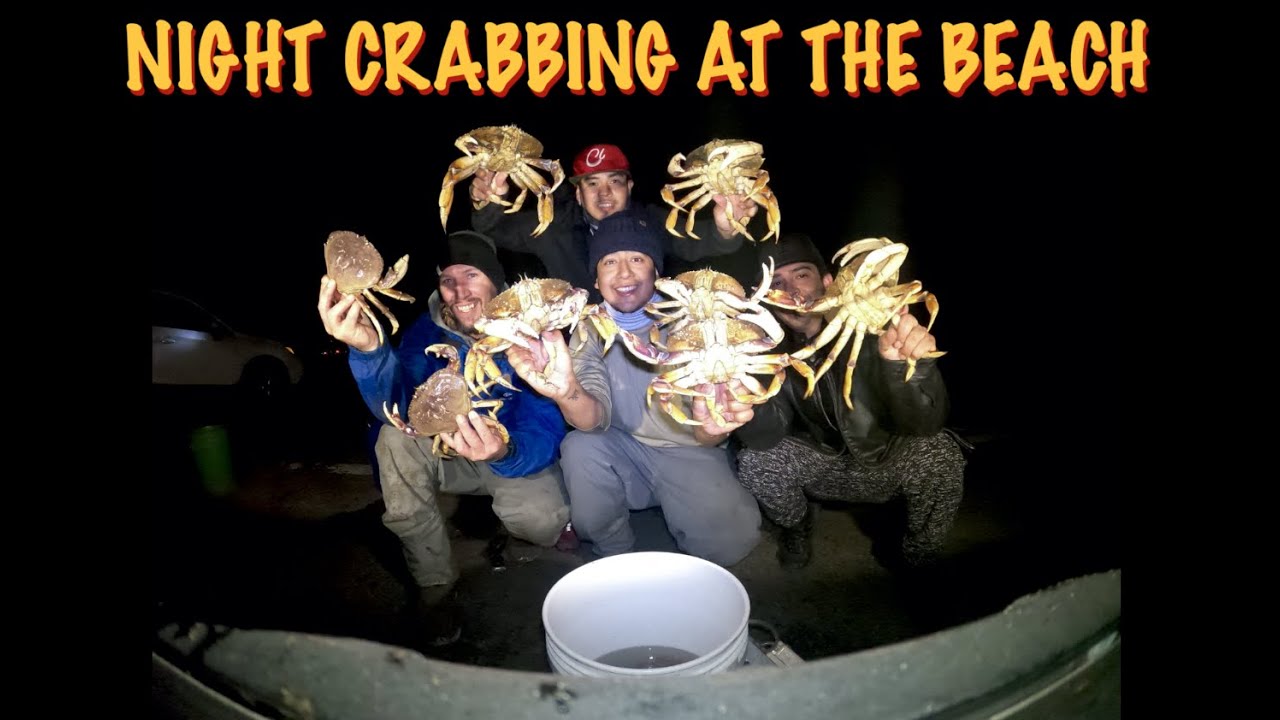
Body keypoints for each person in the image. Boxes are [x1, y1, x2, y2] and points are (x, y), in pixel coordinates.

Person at [317, 230, 572, 647]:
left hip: (510, 453)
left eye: (471, 275)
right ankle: (434, 585)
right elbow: (399, 408)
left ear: (496, 281)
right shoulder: (425, 333)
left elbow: (546, 421)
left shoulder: (530, 330)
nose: (458, 291)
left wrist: (505, 450)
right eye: (447, 279)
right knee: (392, 439)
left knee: (542, 521)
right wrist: (369, 351)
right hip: (448, 452)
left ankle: (515, 534)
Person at [503, 213, 762, 566]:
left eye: (637, 259)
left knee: (732, 542)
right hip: (621, 452)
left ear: (657, 274)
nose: (624, 273)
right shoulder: (590, 329)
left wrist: (712, 430)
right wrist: (566, 392)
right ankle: (614, 555)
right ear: (596, 278)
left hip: (690, 452)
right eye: (609, 262)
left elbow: (710, 431)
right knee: (580, 446)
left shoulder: (697, 323)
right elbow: (592, 421)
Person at [731, 232, 969, 571]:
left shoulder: (880, 331)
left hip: (884, 461)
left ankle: (919, 553)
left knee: (942, 453)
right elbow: (765, 438)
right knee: (756, 461)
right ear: (768, 297)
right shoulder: (769, 355)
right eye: (777, 283)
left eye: (801, 274)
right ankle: (797, 528)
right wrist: (743, 394)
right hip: (823, 462)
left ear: (828, 281)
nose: (792, 291)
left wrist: (910, 368)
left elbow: (926, 424)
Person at [468, 142, 762, 301]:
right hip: (580, 340)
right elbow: (494, 229)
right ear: (579, 194)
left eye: (615, 181)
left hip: (643, 334)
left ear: (629, 187)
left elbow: (697, 240)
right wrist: (487, 203)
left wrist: (725, 227)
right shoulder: (552, 226)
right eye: (592, 184)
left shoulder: (653, 222)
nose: (604, 193)